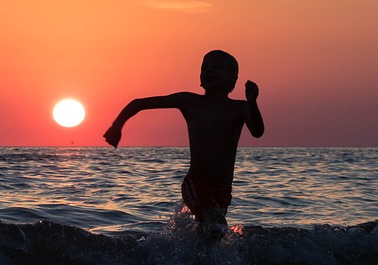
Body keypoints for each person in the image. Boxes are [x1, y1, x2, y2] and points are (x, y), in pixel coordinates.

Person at [103, 49, 264, 238]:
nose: (208, 71)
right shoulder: (190, 102)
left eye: (216, 67)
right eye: (204, 67)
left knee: (209, 235)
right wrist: (116, 127)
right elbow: (138, 103)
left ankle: (192, 264)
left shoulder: (240, 108)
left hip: (223, 189)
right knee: (216, 224)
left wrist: (252, 102)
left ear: (232, 78)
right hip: (195, 182)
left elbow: (257, 132)